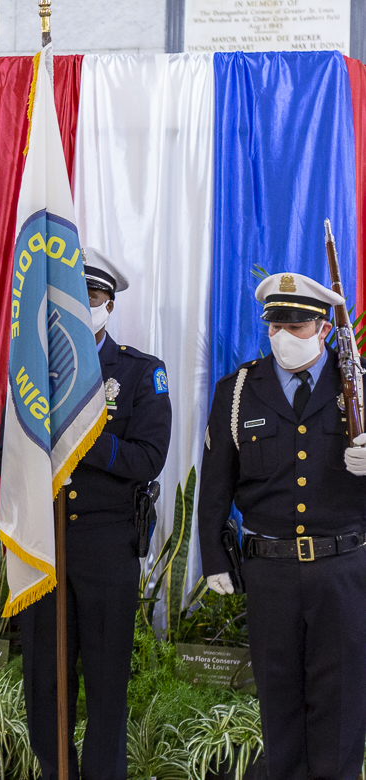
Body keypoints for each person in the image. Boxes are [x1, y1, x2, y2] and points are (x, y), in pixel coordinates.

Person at [0, 248, 172, 780]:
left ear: (107, 304)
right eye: (72, 296)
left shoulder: (142, 372)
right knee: (44, 684)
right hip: (43, 544)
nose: (82, 304)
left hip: (105, 545)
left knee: (105, 684)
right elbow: (2, 453)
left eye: (91, 296)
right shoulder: (34, 369)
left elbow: (148, 457)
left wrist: (80, 434)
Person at [199, 271, 366, 780]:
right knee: (279, 705)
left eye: (295, 327)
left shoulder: (359, 391)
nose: (281, 338)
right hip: (270, 574)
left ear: (323, 328)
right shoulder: (238, 391)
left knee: (340, 709)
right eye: (274, 326)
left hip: (342, 571)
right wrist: (212, 556)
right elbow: (214, 485)